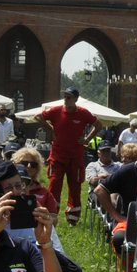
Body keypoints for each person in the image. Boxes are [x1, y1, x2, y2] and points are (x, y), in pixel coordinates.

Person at [38, 88, 99, 225]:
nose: (66, 99)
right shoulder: (56, 111)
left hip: (75, 158)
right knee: (54, 187)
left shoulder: (83, 113)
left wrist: (87, 139)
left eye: (69, 97)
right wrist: (50, 128)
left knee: (75, 188)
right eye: (65, 97)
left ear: (76, 99)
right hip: (58, 157)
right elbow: (38, 117)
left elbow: (98, 125)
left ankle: (73, 219)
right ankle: (51, 217)